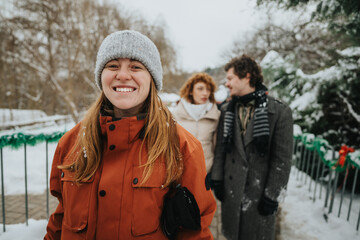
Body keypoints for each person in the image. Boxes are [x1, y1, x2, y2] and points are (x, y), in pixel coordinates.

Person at [44, 30, 216, 240]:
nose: (123, 75)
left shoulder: (182, 148)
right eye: (113, 66)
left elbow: (194, 231)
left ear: (152, 78)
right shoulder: (71, 143)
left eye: (136, 67)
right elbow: (61, 218)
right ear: (101, 75)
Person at [210, 54, 293, 240]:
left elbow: (282, 160)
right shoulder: (227, 110)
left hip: (259, 194)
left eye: (230, 78)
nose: (226, 83)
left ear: (247, 76)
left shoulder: (279, 111)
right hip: (232, 191)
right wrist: (218, 179)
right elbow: (221, 150)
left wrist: (272, 196)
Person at [173, 73, 220, 173]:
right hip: (182, 173)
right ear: (190, 91)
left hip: (207, 172)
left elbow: (216, 147)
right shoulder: (176, 115)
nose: (205, 93)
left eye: (208, 89)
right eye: (200, 89)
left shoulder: (215, 115)